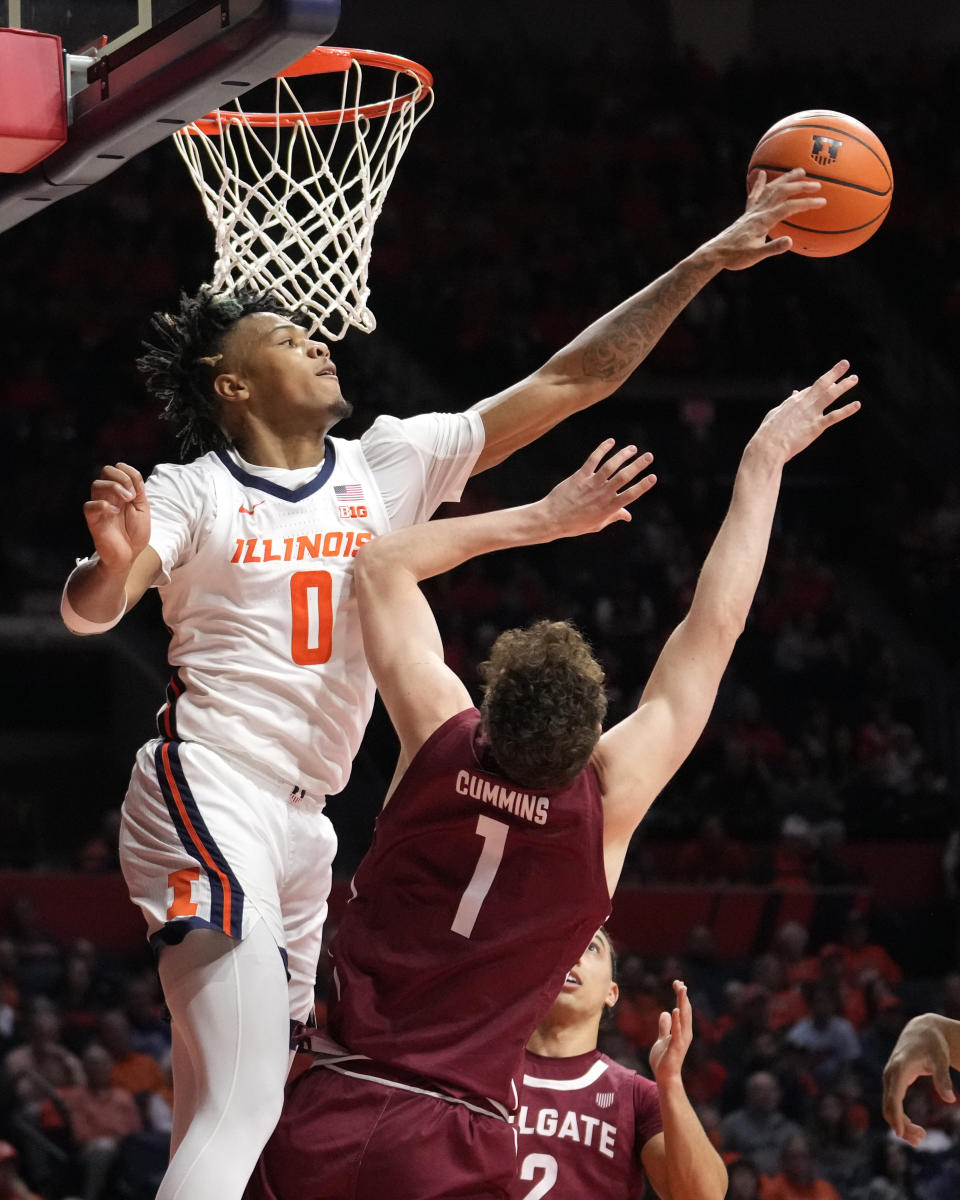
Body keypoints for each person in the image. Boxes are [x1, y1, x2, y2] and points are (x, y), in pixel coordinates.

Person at [59, 169, 826, 1200]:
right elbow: (98, 605)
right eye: (284, 340)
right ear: (229, 386)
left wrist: (703, 261)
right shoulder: (193, 492)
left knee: (244, 1106)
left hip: (308, 823)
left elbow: (571, 382)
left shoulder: (389, 468)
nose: (315, 341)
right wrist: (108, 567)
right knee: (242, 1100)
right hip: (216, 781)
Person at [249, 359, 860, 1199]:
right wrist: (763, 460)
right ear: (589, 740)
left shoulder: (439, 730)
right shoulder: (605, 798)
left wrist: (545, 519)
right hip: (452, 1137)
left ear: (489, 707)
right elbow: (713, 629)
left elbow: (383, 563)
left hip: (326, 1103)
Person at [512, 927, 726, 1199]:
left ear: (611, 993)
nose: (573, 955)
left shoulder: (637, 1096)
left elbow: (703, 1197)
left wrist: (671, 1081)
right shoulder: (477, 1073)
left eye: (591, 948)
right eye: (563, 943)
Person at [882, 1013, 960, 1145]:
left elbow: (953, 1109)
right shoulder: (902, 1073)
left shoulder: (941, 1076)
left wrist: (939, 1116)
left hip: (936, 1133)